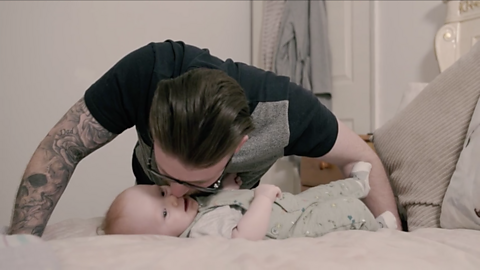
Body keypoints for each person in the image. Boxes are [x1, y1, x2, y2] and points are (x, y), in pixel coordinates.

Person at [8, 40, 401, 237]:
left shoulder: (287, 110)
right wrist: (23, 245)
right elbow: (62, 147)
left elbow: (362, 159)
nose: (176, 192)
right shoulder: (146, 73)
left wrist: (397, 242)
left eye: (195, 182)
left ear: (239, 147)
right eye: (164, 175)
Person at [101, 162, 397, 239]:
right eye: (165, 214)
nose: (174, 200)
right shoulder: (201, 232)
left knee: (321, 192)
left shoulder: (198, 208)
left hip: (287, 207)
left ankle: (357, 184)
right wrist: (264, 197)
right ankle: (377, 229)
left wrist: (229, 187)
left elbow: (226, 206)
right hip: (290, 226)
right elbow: (243, 236)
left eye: (162, 193)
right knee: (341, 212)